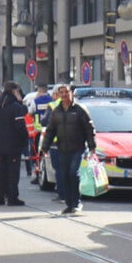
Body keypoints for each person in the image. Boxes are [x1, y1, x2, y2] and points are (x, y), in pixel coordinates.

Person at [40, 84, 96, 215]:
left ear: (72, 93)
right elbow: (50, 130)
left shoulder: (80, 109)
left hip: (78, 148)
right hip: (62, 148)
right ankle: (69, 204)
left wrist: (92, 146)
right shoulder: (57, 111)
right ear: (59, 95)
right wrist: (45, 147)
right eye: (62, 93)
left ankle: (76, 202)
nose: (64, 95)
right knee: (64, 175)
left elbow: (89, 129)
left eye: (67, 92)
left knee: (73, 173)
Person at [0, 81, 29, 206]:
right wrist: (24, 140)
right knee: (13, 172)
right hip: (13, 144)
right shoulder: (15, 107)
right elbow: (20, 126)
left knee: (0, 171)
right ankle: (12, 197)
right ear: (14, 91)